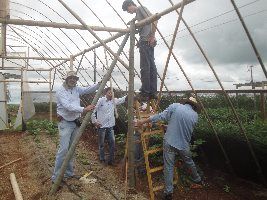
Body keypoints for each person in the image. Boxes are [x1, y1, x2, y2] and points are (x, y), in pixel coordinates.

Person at [136, 97, 203, 200]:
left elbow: (161, 116)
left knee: (169, 166)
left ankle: (168, 193)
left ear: (186, 102)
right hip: (184, 145)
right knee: (189, 161)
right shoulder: (195, 116)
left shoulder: (176, 106)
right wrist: (168, 127)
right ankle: (198, 179)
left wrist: (143, 121)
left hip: (170, 142)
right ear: (194, 106)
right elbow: (184, 128)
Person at [51, 70, 100, 183]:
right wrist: (84, 109)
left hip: (75, 122)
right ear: (66, 79)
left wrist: (99, 83)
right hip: (65, 123)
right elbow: (67, 106)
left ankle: (68, 173)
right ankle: (56, 177)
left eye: (75, 78)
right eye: (71, 78)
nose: (73, 80)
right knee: (63, 150)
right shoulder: (61, 91)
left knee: (71, 150)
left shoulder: (76, 89)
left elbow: (88, 89)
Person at [122, 0, 158, 100]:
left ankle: (145, 92)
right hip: (145, 41)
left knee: (145, 67)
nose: (128, 12)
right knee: (151, 67)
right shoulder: (138, 14)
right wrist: (133, 22)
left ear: (130, 5)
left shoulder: (141, 8)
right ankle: (152, 91)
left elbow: (154, 19)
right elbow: (143, 24)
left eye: (127, 10)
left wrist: (152, 36)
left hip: (146, 41)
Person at [91, 87, 127, 166]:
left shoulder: (114, 101)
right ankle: (102, 159)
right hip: (101, 126)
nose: (111, 94)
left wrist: (130, 94)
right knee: (102, 144)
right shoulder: (101, 100)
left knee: (112, 143)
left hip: (110, 126)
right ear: (105, 93)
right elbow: (93, 110)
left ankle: (111, 160)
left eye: (112, 93)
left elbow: (122, 99)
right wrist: (95, 121)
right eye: (109, 92)